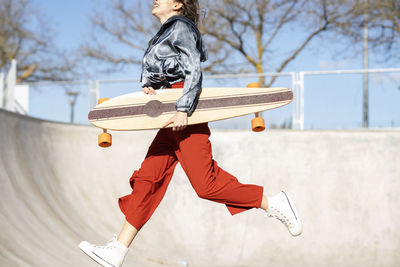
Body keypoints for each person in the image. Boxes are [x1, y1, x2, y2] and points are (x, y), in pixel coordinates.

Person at [79, 0, 302, 266]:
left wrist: (184, 108)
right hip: (169, 112)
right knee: (148, 180)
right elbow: (169, 70)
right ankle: (118, 250)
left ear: (177, 4)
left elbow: (193, 67)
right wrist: (154, 87)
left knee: (205, 184)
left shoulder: (181, 27)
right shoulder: (165, 32)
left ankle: (272, 202)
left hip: (186, 111)